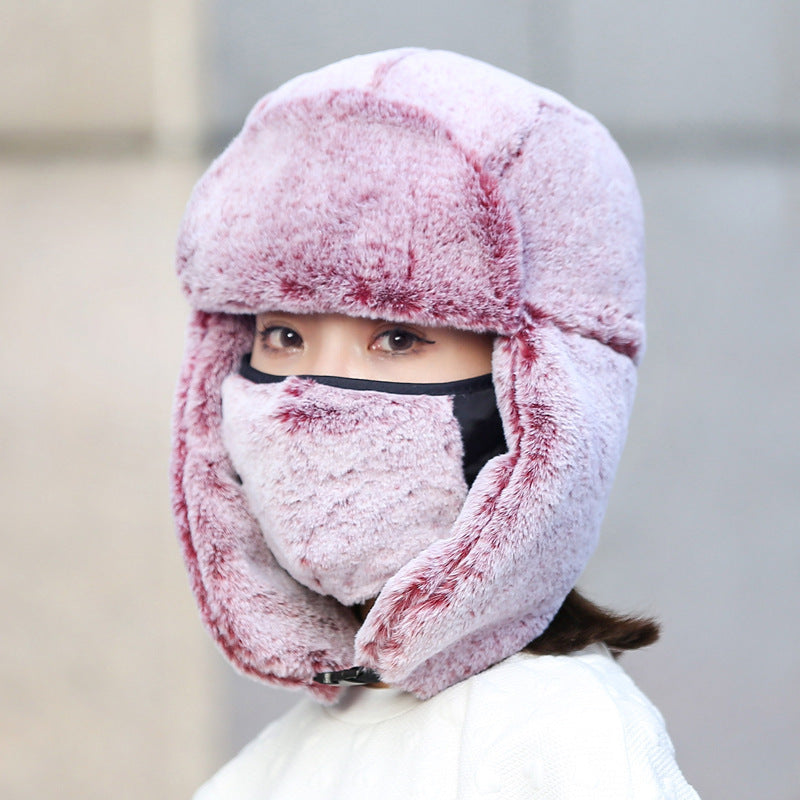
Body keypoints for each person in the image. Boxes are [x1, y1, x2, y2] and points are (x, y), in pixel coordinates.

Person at [172, 48, 701, 798]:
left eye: (396, 338)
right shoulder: (269, 767)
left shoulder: (555, 735)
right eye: (282, 336)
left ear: (537, 393)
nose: (304, 401)